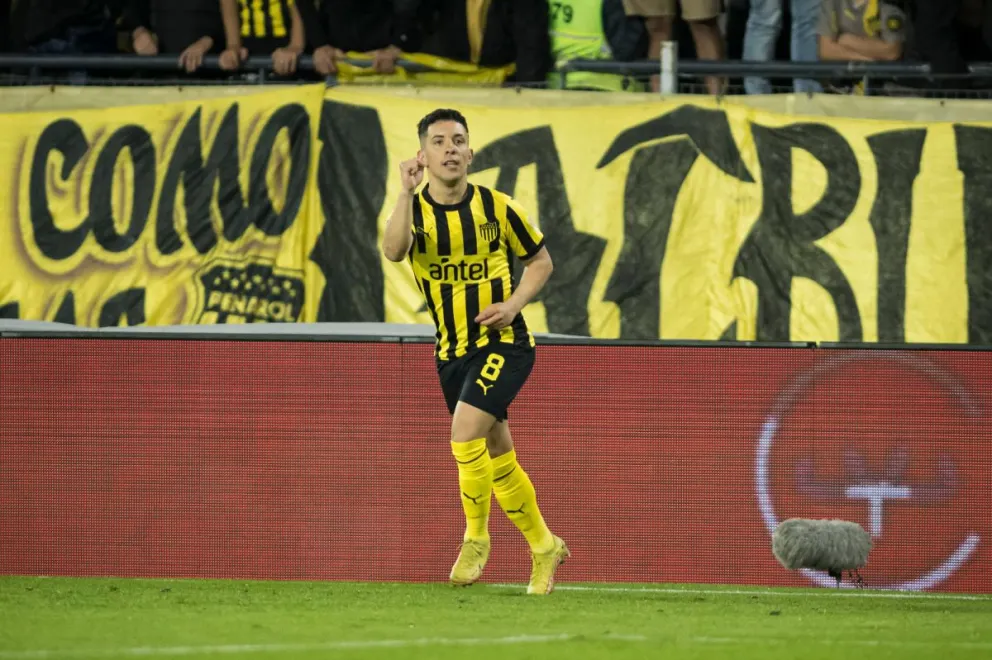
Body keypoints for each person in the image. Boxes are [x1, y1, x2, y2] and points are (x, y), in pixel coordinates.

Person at [380, 109, 568, 595]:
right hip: (452, 352)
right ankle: (545, 547)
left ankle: (476, 537)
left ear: (470, 152)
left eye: (458, 140)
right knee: (497, 451)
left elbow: (541, 262)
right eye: (439, 141)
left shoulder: (499, 206)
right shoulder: (414, 212)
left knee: (464, 432)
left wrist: (513, 305)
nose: (450, 149)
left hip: (505, 342)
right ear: (423, 154)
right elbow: (394, 251)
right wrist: (403, 190)